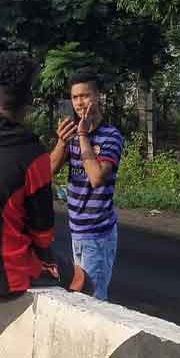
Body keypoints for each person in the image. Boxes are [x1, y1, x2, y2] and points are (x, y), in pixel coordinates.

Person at [0, 52, 91, 298]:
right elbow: (43, 235)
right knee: (83, 281)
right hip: (3, 274)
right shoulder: (30, 154)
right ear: (29, 103)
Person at [51, 68, 124, 301]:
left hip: (98, 235)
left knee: (94, 300)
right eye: (75, 97)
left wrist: (82, 136)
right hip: (77, 232)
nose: (80, 103)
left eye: (85, 95)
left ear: (98, 96)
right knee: (79, 294)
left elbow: (96, 177)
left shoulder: (111, 136)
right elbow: (48, 171)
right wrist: (63, 142)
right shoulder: (71, 135)